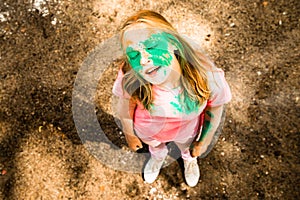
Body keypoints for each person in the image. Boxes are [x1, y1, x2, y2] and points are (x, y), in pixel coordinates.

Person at [112, 10, 231, 187]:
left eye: (151, 46)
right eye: (134, 55)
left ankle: (189, 160)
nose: (144, 60)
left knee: (186, 147)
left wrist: (204, 141)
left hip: (186, 131)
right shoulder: (131, 76)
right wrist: (130, 134)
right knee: (155, 146)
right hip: (148, 131)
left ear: (173, 42)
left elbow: (215, 109)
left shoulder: (207, 77)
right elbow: (125, 106)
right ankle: (157, 157)